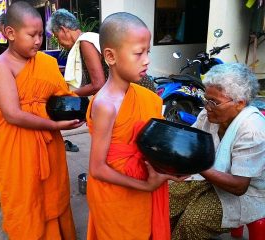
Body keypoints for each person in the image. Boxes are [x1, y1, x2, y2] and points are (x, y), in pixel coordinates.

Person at [0, 1, 83, 238]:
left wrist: (78, 110)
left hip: (48, 142)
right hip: (15, 144)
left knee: (52, 192)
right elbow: (13, 114)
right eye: (32, 35)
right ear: (10, 33)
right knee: (24, 196)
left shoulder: (46, 63)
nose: (38, 41)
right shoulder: (0, 66)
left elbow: (60, 97)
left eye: (41, 34)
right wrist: (54, 125)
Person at [86, 12, 185, 240]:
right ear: (110, 56)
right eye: (139, 53)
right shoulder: (106, 105)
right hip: (116, 195)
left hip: (140, 182)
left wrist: (171, 169)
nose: (147, 60)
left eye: (148, 51)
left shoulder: (143, 94)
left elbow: (153, 141)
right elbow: (97, 169)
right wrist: (147, 186)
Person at [169, 63, 265, 240]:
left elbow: (239, 186)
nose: (207, 106)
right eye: (206, 99)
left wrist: (197, 165)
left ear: (240, 103)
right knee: (165, 200)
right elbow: (191, 139)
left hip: (247, 193)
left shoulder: (252, 130)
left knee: (193, 221)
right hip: (211, 177)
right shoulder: (208, 115)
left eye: (214, 102)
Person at [47, 9, 107, 152]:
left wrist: (68, 95)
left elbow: (98, 84)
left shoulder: (86, 43)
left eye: (56, 36)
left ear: (63, 30)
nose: (59, 43)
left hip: (133, 93)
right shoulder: (90, 38)